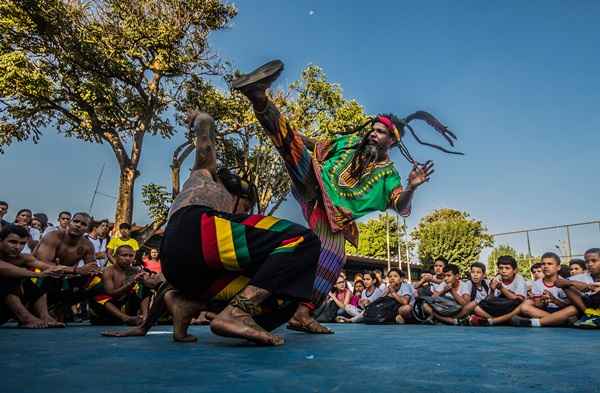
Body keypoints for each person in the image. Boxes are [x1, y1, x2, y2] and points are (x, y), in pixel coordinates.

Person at [233, 59, 459, 333]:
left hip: (334, 216)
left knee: (334, 257)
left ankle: (302, 314)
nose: (373, 134)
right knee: (289, 149)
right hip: (314, 183)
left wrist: (412, 186)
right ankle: (259, 97)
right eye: (373, 129)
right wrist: (289, 133)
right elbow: (314, 145)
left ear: (393, 140)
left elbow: (400, 205)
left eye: (380, 132)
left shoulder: (389, 174)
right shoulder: (351, 142)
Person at [103, 111, 321, 345]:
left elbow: (171, 278)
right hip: (197, 225)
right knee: (303, 240)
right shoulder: (205, 175)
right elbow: (205, 139)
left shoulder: (197, 211)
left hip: (177, 263)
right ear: (239, 196)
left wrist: (145, 326)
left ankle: (185, 305)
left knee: (277, 284)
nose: (244, 214)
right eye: (245, 208)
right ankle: (236, 313)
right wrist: (203, 118)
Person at [31, 212, 100, 320]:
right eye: (76, 221)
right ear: (70, 222)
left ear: (87, 229)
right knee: (49, 273)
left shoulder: (87, 245)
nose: (78, 225)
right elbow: (43, 263)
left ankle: (60, 308)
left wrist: (94, 272)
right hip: (38, 275)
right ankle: (39, 310)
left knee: (97, 282)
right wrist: (75, 270)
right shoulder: (53, 236)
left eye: (83, 224)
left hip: (64, 277)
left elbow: (91, 268)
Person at [0, 224, 66, 328]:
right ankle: (26, 318)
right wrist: (37, 274)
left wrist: (73, 270)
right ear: (1, 241)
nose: (17, 247)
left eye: (22, 243)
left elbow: (45, 266)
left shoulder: (23, 258)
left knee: (34, 285)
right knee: (8, 282)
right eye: (12, 242)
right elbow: (5, 268)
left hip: (5, 311)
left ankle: (45, 316)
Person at [90, 245, 154, 325]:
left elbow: (151, 286)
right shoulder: (108, 271)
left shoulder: (136, 270)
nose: (128, 258)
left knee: (144, 286)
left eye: (131, 256)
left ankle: (146, 318)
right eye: (124, 255)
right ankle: (125, 318)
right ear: (116, 256)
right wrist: (131, 283)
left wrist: (147, 279)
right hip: (104, 313)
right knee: (98, 290)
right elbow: (111, 293)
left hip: (123, 307)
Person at [512, 252, 578, 327]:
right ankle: (560, 321)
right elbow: (538, 305)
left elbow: (567, 305)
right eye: (543, 264)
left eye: (550, 264)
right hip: (544, 311)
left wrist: (554, 300)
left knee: (572, 309)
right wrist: (542, 302)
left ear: (558, 267)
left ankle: (538, 322)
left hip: (561, 311)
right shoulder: (536, 283)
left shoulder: (564, 282)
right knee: (525, 306)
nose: (546, 266)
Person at [469, 256, 527, 326]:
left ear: (515, 270)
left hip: (512, 306)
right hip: (500, 307)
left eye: (507, 268)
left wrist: (502, 288)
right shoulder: (497, 278)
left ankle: (494, 321)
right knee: (477, 307)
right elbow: (490, 300)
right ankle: (500, 320)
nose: (503, 271)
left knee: (519, 304)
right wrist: (492, 290)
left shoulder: (519, 279)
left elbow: (519, 299)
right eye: (501, 268)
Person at [555, 248, 600, 328]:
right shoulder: (581, 277)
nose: (590, 264)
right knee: (566, 285)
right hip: (588, 307)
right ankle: (590, 315)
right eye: (587, 261)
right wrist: (578, 284)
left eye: (594, 261)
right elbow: (558, 282)